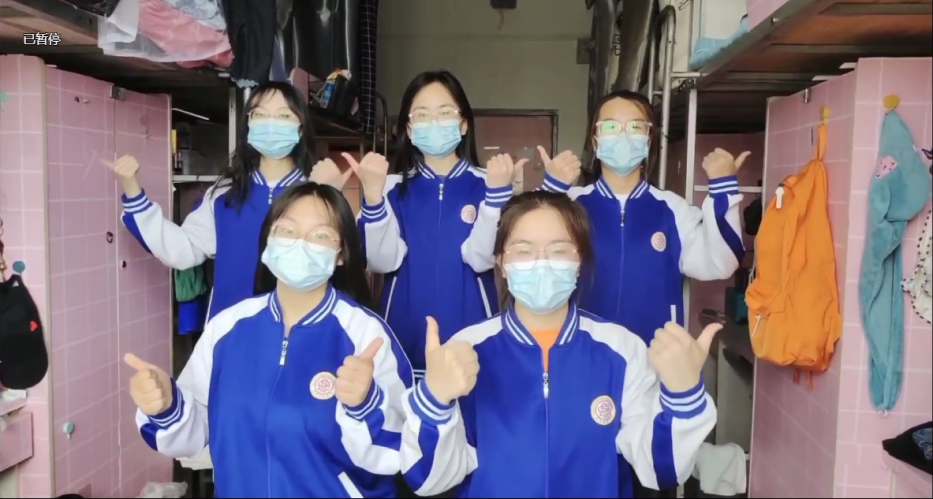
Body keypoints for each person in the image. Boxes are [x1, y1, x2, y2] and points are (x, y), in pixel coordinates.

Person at [397, 191, 719, 498]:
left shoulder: (621, 350)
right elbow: (426, 479)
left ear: (579, 261)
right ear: (501, 264)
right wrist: (434, 400)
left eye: (558, 250)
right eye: (524, 251)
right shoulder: (466, 350)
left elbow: (661, 471)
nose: (542, 263)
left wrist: (683, 395)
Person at [125, 182, 413, 498]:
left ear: (342, 254)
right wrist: (167, 406)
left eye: (320, 235)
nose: (300, 243)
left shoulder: (366, 335)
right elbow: (195, 432)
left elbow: (401, 450)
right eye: (287, 230)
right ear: (268, 242)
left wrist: (366, 404)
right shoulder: (227, 328)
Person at [107, 81, 354, 323]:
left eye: (283, 116)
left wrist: (330, 194)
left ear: (300, 130)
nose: (271, 124)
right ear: (249, 125)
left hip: (302, 327)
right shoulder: (223, 194)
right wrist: (133, 191)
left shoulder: (317, 193)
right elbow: (183, 250)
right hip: (229, 327)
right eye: (260, 115)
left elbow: (346, 260)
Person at [540, 90, 749, 343]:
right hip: (580, 352)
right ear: (595, 142)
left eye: (635, 127)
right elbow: (526, 253)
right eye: (610, 126)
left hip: (656, 355)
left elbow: (721, 263)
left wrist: (724, 189)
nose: (623, 136)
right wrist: (550, 191)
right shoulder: (570, 204)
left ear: (648, 141)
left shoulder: (673, 209)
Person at [355, 70, 521, 381]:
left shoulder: (491, 185)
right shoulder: (388, 187)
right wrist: (373, 197)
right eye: (422, 115)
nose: (434, 122)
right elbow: (381, 261)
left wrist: (496, 198)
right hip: (402, 341)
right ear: (408, 128)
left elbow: (482, 258)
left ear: (464, 123)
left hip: (475, 342)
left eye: (445, 112)